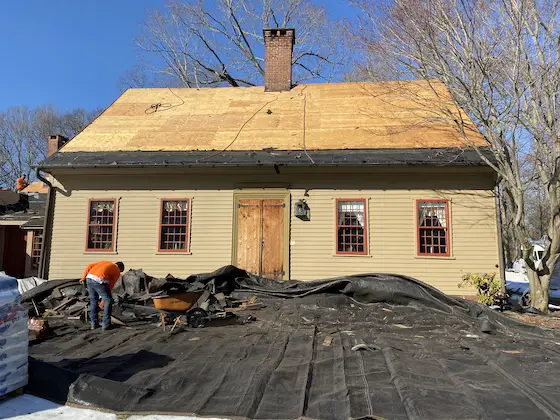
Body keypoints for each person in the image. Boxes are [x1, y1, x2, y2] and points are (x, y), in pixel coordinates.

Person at [81, 261, 125, 330]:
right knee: (108, 300)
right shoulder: (117, 271)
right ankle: (106, 325)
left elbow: (89, 266)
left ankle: (94, 324)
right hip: (99, 280)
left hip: (89, 278)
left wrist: (83, 278)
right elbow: (110, 285)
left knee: (93, 301)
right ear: (120, 269)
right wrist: (102, 303)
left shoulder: (105, 262)